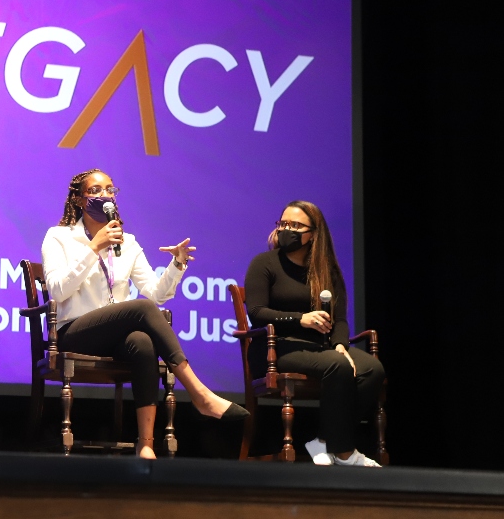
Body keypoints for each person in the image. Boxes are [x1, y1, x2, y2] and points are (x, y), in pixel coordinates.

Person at [42, 168, 248, 459]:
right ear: (78, 200)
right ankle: (200, 393)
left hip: (114, 336)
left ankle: (146, 444)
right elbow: (58, 290)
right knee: (142, 309)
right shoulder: (59, 237)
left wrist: (176, 265)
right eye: (96, 191)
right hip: (75, 333)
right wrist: (93, 248)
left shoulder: (128, 242)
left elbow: (156, 293)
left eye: (110, 190)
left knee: (142, 341)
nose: (105, 196)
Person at [244, 200, 385, 467]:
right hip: (275, 347)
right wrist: (301, 319)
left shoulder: (326, 270)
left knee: (371, 369)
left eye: (296, 225)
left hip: (317, 348)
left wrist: (341, 344)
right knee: (336, 365)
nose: (287, 229)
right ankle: (344, 452)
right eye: (283, 224)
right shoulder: (264, 264)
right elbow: (257, 312)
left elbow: (340, 319)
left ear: (314, 233)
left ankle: (324, 440)